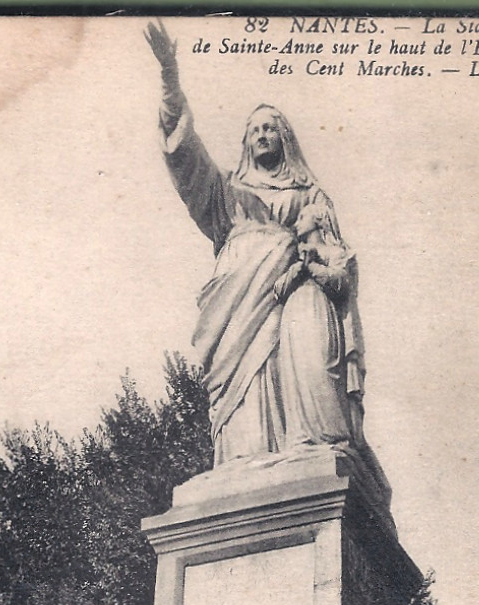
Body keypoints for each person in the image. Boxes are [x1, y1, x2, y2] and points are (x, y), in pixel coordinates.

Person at [145, 19, 367, 464]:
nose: (263, 135)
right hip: (237, 307)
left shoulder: (311, 195)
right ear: (246, 141)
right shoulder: (227, 193)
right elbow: (185, 156)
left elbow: (339, 262)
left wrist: (310, 262)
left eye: (271, 128)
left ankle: (313, 450)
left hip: (296, 292)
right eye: (255, 130)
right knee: (243, 429)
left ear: (286, 139)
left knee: (306, 362)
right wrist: (171, 78)